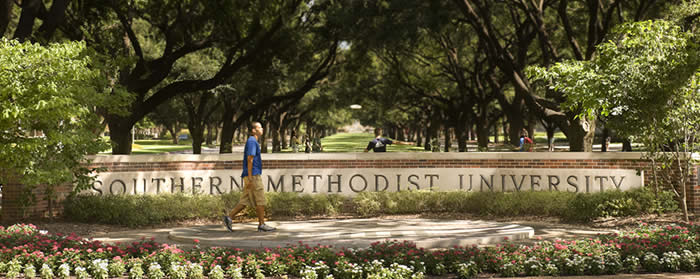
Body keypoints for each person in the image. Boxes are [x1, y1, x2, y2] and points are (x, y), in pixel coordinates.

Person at [223, 122, 276, 232]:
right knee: (260, 200)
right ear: (253, 130)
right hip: (253, 175)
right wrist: (251, 177)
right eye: (259, 127)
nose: (262, 129)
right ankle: (262, 225)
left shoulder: (253, 141)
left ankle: (229, 217)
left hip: (250, 175)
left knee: (245, 201)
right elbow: (250, 159)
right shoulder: (252, 141)